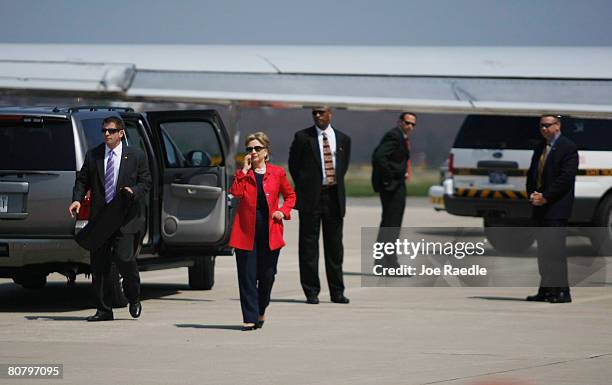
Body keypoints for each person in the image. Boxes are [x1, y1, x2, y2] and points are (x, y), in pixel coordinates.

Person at [68, 116, 152, 321]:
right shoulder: (94, 155)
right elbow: (82, 181)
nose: (107, 134)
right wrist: (77, 200)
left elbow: (146, 181)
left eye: (112, 130)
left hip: (125, 218)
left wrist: (134, 191)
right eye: (104, 130)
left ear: (121, 133)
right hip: (101, 219)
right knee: (99, 265)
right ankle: (104, 309)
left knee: (125, 260)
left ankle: (134, 297)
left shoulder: (135, 155)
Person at [229, 132, 296, 330]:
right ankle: (249, 318)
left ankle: (261, 309)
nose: (253, 152)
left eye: (257, 148)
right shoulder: (243, 174)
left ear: (266, 152)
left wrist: (283, 212)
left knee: (267, 275)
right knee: (247, 276)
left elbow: (290, 196)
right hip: (245, 232)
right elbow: (235, 192)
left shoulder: (277, 173)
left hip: (270, 231)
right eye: (249, 149)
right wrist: (243, 170)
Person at [288, 106, 351, 304]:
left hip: (333, 197)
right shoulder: (302, 137)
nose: (317, 115)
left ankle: (337, 292)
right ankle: (311, 291)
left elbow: (343, 166)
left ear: (330, 114)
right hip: (310, 198)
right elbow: (293, 165)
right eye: (314, 112)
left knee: (334, 247)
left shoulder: (343, 139)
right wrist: (307, 185)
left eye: (321, 112)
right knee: (308, 247)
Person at [526, 114, 578, 303]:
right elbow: (533, 174)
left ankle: (562, 292)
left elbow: (565, 179)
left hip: (556, 208)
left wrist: (546, 197)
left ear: (558, 126)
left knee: (555, 251)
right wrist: (532, 195)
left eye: (547, 125)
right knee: (543, 252)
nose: (543, 129)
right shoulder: (540, 146)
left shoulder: (568, 147)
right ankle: (546, 290)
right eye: (541, 126)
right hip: (539, 206)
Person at [371, 112, 416, 268]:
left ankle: (384, 262)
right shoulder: (394, 136)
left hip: (396, 185)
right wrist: (391, 176)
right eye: (407, 122)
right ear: (400, 122)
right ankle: (388, 264)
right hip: (392, 186)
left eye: (413, 124)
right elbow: (379, 157)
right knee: (391, 225)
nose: (410, 126)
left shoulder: (401, 137)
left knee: (390, 225)